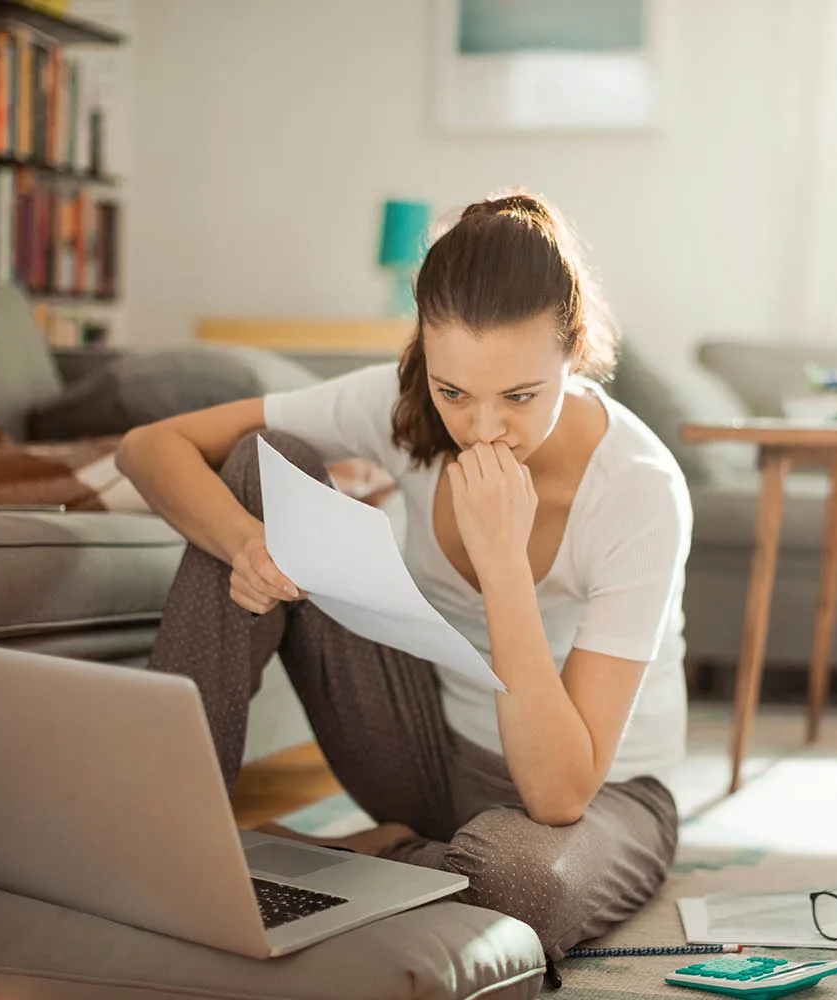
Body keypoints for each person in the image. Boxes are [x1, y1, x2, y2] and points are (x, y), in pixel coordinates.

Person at [116, 191, 692, 962]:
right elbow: (150, 448)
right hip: (428, 752)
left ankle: (368, 857)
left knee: (520, 888)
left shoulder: (640, 490)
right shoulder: (399, 406)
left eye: (521, 396)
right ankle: (169, 844)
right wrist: (245, 544)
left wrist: (502, 566)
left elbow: (561, 794)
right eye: (455, 392)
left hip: (601, 799)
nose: (485, 429)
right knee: (264, 461)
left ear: (573, 351)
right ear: (426, 356)